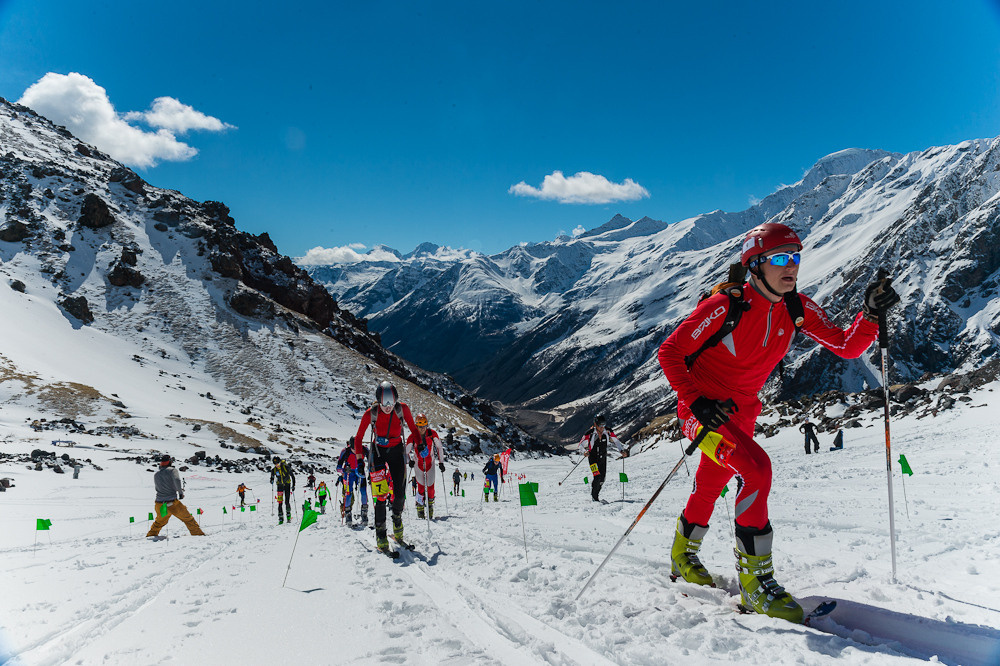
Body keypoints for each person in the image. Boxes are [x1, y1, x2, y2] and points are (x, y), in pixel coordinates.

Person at [658, 222, 899, 622]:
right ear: (754, 265)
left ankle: (683, 555)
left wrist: (870, 313)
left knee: (713, 481)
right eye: (781, 259)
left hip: (743, 414)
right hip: (701, 413)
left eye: (796, 257)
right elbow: (670, 352)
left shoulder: (796, 306)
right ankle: (755, 586)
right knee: (755, 471)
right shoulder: (725, 306)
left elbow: (846, 344)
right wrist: (696, 401)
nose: (792, 266)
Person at [353, 381, 419, 552]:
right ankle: (381, 533)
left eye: (391, 403)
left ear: (396, 400)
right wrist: (360, 461)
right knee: (380, 495)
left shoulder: (402, 409)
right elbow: (358, 438)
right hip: (378, 452)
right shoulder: (371, 413)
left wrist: (421, 444)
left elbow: (413, 428)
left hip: (397, 451)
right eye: (384, 403)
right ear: (378, 401)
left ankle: (397, 518)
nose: (388, 407)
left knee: (399, 493)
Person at [146, 455, 206, 538]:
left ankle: (150, 536)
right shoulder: (172, 471)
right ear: (170, 462)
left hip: (160, 504)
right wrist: (180, 492)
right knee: (188, 519)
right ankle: (199, 535)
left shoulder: (156, 474)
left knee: (159, 522)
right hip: (172, 504)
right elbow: (177, 480)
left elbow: (159, 487)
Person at [578, 415, 629, 502]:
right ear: (595, 424)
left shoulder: (608, 431)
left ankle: (596, 492)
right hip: (593, 458)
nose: (602, 427)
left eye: (603, 425)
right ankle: (594, 497)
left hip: (603, 458)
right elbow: (581, 445)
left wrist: (621, 450)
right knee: (597, 476)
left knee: (602, 479)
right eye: (600, 425)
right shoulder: (589, 433)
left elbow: (616, 441)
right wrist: (584, 452)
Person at [406, 413, 446, 520]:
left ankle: (430, 505)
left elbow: (439, 448)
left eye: (424, 426)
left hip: (430, 463)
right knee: (421, 487)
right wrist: (409, 461)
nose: (422, 429)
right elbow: (405, 451)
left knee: (431, 487)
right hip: (418, 464)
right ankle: (420, 507)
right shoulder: (412, 436)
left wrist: (441, 462)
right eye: (420, 426)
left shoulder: (432, 434)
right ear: (416, 426)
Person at [270, 456, 296, 525]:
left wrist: (293, 485)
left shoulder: (286, 467)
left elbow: (293, 476)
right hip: (280, 486)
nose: (277, 465)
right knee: (280, 502)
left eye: (278, 463)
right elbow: (272, 477)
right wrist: (271, 480)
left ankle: (288, 517)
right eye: (275, 464)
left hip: (287, 485)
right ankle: (280, 518)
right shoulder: (274, 470)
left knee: (287, 502)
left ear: (280, 462)